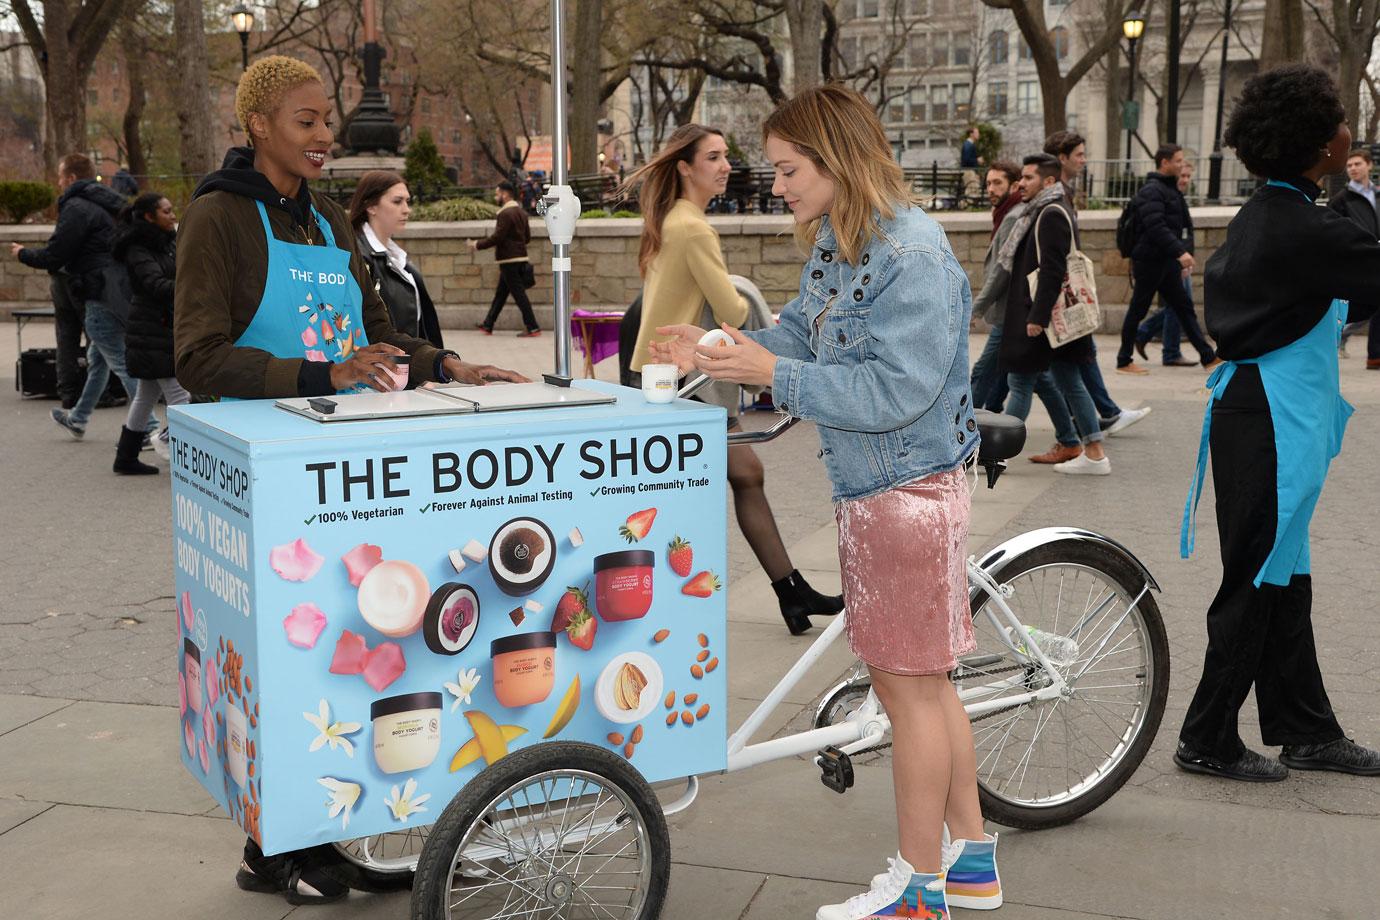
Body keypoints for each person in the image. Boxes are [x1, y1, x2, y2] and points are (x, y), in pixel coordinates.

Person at [174, 55, 526, 905]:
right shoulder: (218, 218)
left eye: (327, 118)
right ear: (259, 126)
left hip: (343, 472)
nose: (325, 134)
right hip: (262, 471)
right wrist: (320, 376)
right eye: (306, 120)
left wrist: (449, 363)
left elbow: (374, 335)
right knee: (282, 659)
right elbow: (195, 356)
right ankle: (275, 846)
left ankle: (336, 832)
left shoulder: (332, 222)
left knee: (352, 651)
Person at [653, 85, 999, 920]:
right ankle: (973, 863)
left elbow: (897, 392)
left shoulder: (910, 253)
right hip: (885, 490)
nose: (776, 185)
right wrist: (720, 346)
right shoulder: (847, 241)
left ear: (836, 159)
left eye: (787, 169)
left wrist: (770, 374)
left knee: (908, 691)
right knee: (926, 686)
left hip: (906, 493)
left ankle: (921, 892)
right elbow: (806, 333)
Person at [1178, 64, 1380, 782]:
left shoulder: (1271, 210)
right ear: (1316, 144)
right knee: (1259, 579)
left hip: (1257, 412)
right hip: (1270, 419)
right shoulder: (1302, 226)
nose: (1348, 130)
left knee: (1283, 574)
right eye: (1338, 122)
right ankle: (1206, 736)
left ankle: (1306, 730)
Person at [623, 123, 844, 636]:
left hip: (673, 372)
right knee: (690, 494)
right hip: (687, 376)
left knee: (744, 473)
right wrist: (740, 293)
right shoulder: (693, 227)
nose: (725, 166)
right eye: (714, 157)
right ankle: (671, 608)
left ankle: (790, 592)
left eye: (725, 156)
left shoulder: (673, 219)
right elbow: (731, 308)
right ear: (685, 166)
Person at [13, 153, 152, 440]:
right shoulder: (111, 204)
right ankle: (78, 418)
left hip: (97, 291)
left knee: (119, 362)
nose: (59, 183)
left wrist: (23, 254)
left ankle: (148, 428)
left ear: (72, 178)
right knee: (98, 359)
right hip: (119, 288)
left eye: (62, 177)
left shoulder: (77, 207)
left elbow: (56, 254)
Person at [1001, 154, 1110, 475]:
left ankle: (1092, 452)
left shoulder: (1050, 213)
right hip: (1047, 315)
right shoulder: (1048, 209)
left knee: (1028, 378)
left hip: (1047, 316)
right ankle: (1090, 450)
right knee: (1062, 380)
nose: (1021, 183)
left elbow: (1052, 269)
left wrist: (1038, 316)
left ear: (1048, 181)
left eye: (1029, 178)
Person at [1043, 130, 1150, 434]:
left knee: (1072, 358)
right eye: (1079, 154)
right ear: (1062, 159)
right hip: (1060, 290)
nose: (1084, 160)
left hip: (1062, 290)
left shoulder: (1064, 192)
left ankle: (1095, 417)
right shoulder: (1055, 194)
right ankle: (1088, 425)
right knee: (1032, 371)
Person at [1116, 144, 1220, 374]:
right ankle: (1123, 360)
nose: (1182, 165)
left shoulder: (1170, 190)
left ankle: (1208, 357)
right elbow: (1156, 227)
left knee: (1184, 308)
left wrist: (1182, 253)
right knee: (1138, 309)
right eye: (1178, 161)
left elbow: (1183, 226)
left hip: (1165, 261)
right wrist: (1179, 252)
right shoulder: (1152, 191)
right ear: (1165, 163)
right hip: (1149, 261)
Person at [113, 192, 187, 474]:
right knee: (180, 397)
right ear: (149, 216)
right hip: (153, 330)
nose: (172, 215)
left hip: (158, 327)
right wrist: (190, 287)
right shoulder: (137, 248)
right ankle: (181, 455)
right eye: (166, 211)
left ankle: (125, 457)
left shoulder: (168, 241)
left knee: (145, 396)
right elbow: (155, 284)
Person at [348, 171, 444, 346]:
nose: (407, 209)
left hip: (409, 364)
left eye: (408, 201)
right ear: (371, 206)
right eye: (397, 201)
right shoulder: (358, 257)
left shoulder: (396, 257)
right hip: (381, 366)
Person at [968, 160, 1024, 412]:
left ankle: (961, 426)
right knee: (1007, 373)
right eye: (988, 183)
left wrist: (976, 308)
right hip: (1010, 312)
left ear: (1014, 186)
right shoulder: (1004, 214)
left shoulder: (1012, 217)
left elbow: (1001, 271)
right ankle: (990, 417)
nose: (990, 188)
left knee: (983, 370)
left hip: (1009, 311)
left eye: (997, 183)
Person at [1134, 162, 1198, 366]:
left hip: (1179, 260)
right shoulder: (1163, 196)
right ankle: (1169, 351)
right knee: (1180, 305)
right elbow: (1160, 230)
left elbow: (1186, 232)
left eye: (1188, 176)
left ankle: (1145, 334)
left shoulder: (1177, 198)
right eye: (1182, 176)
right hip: (1168, 260)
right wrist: (1180, 257)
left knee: (1178, 304)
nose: (1185, 180)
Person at [1327, 148, 1379, 368]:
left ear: (1369, 165)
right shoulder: (1341, 199)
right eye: (1349, 165)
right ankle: (1343, 336)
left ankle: (1375, 356)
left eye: (1357, 164)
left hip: (1376, 257)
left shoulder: (1377, 194)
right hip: (1357, 260)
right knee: (1363, 306)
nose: (1353, 169)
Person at [470, 180, 539, 337]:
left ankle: (533, 327)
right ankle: (488, 324)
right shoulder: (522, 213)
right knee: (501, 294)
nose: (496, 196)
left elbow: (497, 238)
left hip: (508, 260)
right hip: (519, 257)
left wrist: (477, 244)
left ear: (505, 194)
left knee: (519, 295)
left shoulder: (505, 213)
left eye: (497, 193)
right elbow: (527, 238)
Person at [959, 126, 983, 203]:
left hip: (970, 170)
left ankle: (969, 204)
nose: (978, 134)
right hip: (969, 171)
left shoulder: (969, 144)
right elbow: (966, 160)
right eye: (977, 133)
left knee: (972, 188)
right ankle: (969, 204)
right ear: (971, 134)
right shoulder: (968, 145)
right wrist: (977, 160)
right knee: (971, 188)